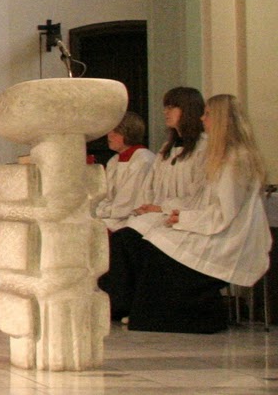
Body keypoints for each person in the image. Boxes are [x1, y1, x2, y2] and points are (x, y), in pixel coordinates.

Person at [101, 94, 272, 333]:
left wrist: (182, 218)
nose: (203, 118)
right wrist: (174, 213)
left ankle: (158, 314)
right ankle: (135, 309)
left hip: (227, 238)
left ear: (222, 120)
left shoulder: (235, 160)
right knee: (144, 238)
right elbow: (198, 199)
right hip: (206, 223)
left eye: (209, 114)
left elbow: (224, 214)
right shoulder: (219, 155)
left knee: (155, 247)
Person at [128, 86, 208, 230]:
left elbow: (199, 196)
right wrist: (145, 207)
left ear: (188, 110)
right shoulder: (166, 149)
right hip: (156, 215)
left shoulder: (203, 148)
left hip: (181, 218)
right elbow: (149, 187)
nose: (166, 112)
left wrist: (162, 208)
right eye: (166, 107)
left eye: (172, 108)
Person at [93, 112, 156, 232]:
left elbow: (127, 203)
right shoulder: (114, 161)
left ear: (129, 133)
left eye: (115, 132)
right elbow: (107, 195)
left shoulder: (143, 160)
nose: (109, 136)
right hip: (112, 216)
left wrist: (99, 212)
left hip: (132, 218)